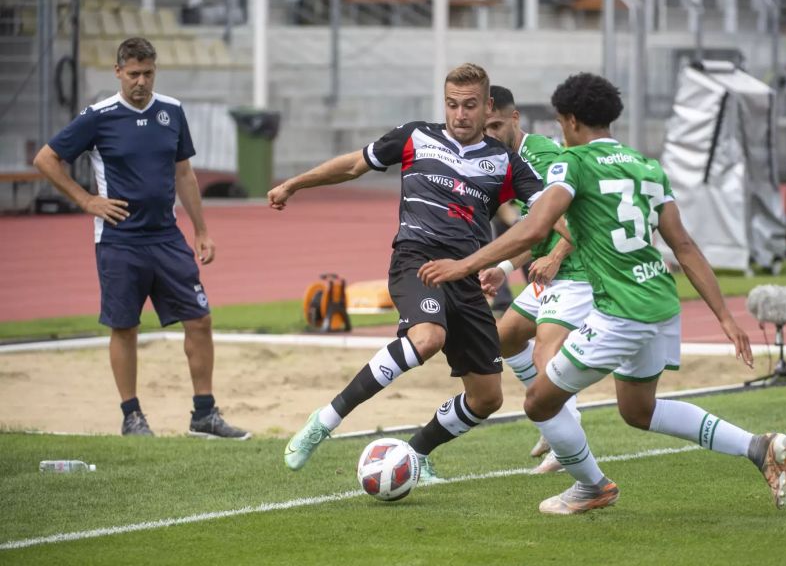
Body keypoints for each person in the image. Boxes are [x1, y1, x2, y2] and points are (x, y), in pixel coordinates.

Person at [418, 73, 786, 514]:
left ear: (571, 121)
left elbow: (535, 226)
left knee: (539, 401)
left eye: (560, 124)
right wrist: (726, 319)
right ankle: (757, 447)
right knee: (638, 411)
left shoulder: (572, 163)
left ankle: (592, 486)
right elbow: (684, 247)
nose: (560, 133)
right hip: (660, 301)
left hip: (622, 311)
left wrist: (466, 264)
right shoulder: (647, 166)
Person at [268, 63, 545, 481]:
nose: (460, 114)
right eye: (452, 104)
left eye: (470, 106)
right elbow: (353, 166)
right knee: (428, 337)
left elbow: (546, 213)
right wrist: (295, 184)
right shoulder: (417, 136)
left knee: (487, 398)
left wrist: (551, 249)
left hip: (464, 274)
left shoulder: (504, 162)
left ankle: (415, 455)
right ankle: (324, 421)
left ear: (487, 106)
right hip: (416, 258)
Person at [32, 37, 249, 440]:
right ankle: (132, 416)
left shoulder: (172, 111)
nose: (141, 82)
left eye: (148, 73)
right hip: (119, 242)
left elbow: (184, 173)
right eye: (133, 74)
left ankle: (204, 414)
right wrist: (85, 200)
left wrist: (201, 230)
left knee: (200, 320)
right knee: (125, 327)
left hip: (167, 238)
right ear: (118, 72)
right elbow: (46, 159)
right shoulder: (98, 116)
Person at [480, 85, 591, 474]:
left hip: (579, 269)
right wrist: (506, 269)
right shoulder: (506, 161)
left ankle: (565, 431)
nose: (489, 134)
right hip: (553, 271)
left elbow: (580, 217)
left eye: (496, 125)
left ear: (514, 119)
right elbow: (537, 228)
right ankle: (552, 419)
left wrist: (558, 254)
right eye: (484, 127)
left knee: (546, 349)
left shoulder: (540, 156)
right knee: (505, 337)